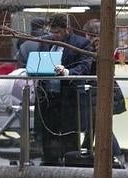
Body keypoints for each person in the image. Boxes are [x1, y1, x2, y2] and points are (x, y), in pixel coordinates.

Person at [35, 14, 93, 166]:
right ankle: (49, 162)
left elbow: (85, 66)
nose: (55, 36)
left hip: (69, 96)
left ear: (68, 29)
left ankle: (70, 163)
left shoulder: (81, 43)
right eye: (52, 32)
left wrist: (67, 72)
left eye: (58, 32)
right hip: (47, 96)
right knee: (48, 131)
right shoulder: (46, 42)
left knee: (69, 133)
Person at [82, 19, 126, 166]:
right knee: (95, 124)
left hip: (97, 90)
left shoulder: (92, 48)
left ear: (89, 34)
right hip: (106, 88)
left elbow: (89, 68)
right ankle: (85, 151)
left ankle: (118, 155)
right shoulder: (108, 45)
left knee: (101, 125)